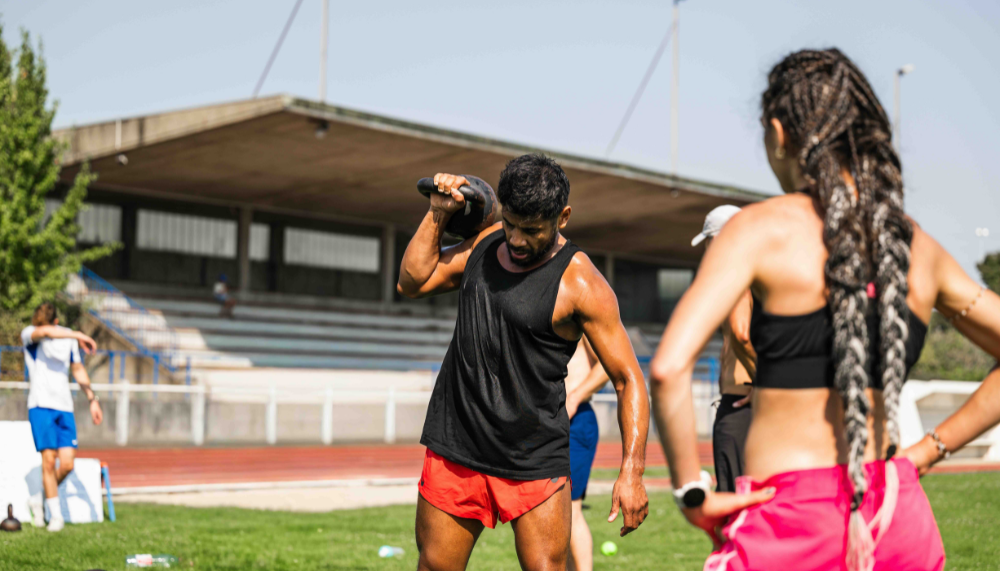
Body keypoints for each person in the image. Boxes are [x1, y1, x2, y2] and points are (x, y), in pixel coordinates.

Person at [650, 48, 1000, 571]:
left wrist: (691, 492)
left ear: (778, 133)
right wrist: (928, 451)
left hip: (786, 518)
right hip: (897, 513)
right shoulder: (916, 246)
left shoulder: (758, 229)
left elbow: (667, 368)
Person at [398, 154, 649, 571]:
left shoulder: (581, 284)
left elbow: (628, 378)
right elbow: (412, 281)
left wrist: (632, 471)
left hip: (534, 457)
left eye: (531, 230)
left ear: (562, 218)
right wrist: (438, 213)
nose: (515, 239)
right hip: (457, 443)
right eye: (510, 224)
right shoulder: (485, 243)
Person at [692, 205, 757, 493]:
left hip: (740, 403)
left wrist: (761, 379)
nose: (707, 250)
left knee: (735, 500)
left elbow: (741, 334)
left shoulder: (737, 278)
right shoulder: (755, 276)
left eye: (709, 241)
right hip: (746, 402)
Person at [23, 302, 102, 532]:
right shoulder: (30, 333)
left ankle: (40, 497)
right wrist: (78, 334)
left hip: (64, 407)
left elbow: (77, 369)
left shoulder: (68, 338)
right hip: (40, 406)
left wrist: (92, 398)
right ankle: (55, 516)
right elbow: (46, 332)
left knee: (67, 464)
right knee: (49, 461)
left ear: (57, 322)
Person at [563, 337, 610, 571]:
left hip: (575, 418)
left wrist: (574, 397)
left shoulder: (579, 317)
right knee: (549, 511)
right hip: (543, 420)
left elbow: (607, 364)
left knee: (570, 509)